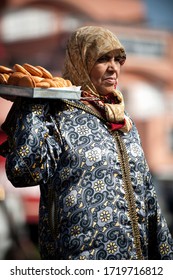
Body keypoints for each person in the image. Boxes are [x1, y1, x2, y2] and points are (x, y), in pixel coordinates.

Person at [0, 25, 173, 260]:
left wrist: (165, 257)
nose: (114, 68)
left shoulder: (123, 119)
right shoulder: (55, 114)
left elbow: (147, 195)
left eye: (118, 59)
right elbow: (23, 173)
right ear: (80, 60)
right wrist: (33, 104)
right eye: (103, 58)